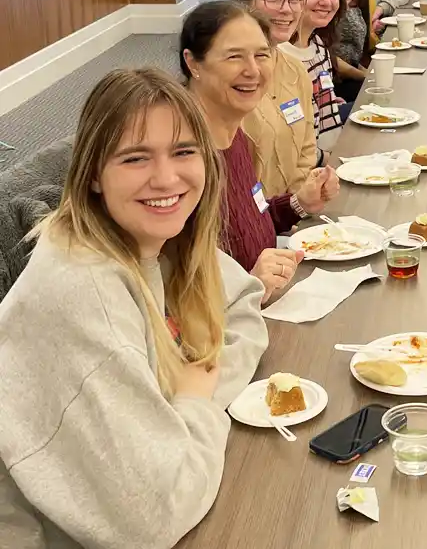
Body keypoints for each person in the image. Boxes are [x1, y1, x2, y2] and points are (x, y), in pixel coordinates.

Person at [0, 68, 269, 549]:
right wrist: (189, 406)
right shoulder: (82, 290)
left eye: (184, 151)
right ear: (95, 176)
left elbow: (245, 301)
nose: (166, 178)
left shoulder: (163, 233)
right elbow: (153, 518)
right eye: (135, 158)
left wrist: (191, 395)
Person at [182, 2, 335, 293]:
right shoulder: (180, 156)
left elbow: (251, 220)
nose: (252, 70)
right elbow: (174, 291)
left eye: (262, 55)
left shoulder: (234, 135)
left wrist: (299, 203)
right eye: (234, 57)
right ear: (193, 63)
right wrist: (249, 287)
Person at [230, 0, 331, 195]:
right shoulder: (230, 78)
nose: (287, 9)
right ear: (242, 4)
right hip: (246, 220)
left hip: (289, 213)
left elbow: (306, 149)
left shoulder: (295, 70)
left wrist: (296, 205)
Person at [284, 0, 348, 149]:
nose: (326, 2)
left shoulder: (318, 44)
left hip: (335, 146)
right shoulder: (283, 57)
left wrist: (327, 101)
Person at [319, 0, 372, 102]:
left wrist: (370, 74)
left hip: (349, 78)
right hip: (335, 83)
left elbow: (354, 57)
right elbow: (332, 59)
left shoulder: (350, 10)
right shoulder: (321, 15)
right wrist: (366, 77)